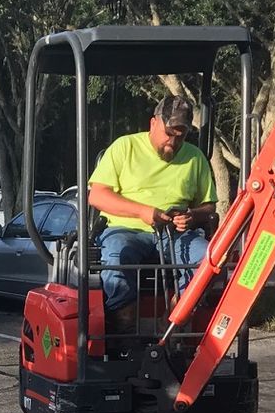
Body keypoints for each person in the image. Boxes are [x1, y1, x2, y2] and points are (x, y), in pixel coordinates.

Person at [85, 94, 216, 316]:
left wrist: (192, 215)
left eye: (180, 136)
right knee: (118, 255)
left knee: (209, 258)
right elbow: (97, 196)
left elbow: (208, 207)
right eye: (168, 134)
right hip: (125, 231)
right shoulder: (124, 147)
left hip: (174, 234)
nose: (173, 142)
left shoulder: (195, 158)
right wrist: (144, 212)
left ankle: (178, 317)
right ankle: (122, 322)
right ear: (153, 123)